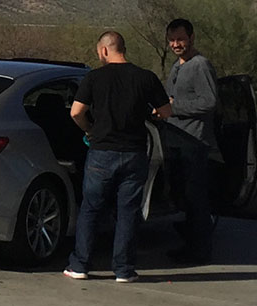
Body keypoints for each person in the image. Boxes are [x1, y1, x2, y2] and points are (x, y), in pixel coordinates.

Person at [64, 31, 171, 283]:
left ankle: (80, 265)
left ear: (103, 50)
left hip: (101, 152)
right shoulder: (146, 77)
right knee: (128, 211)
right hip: (134, 153)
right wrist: (152, 113)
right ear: (123, 48)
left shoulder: (94, 78)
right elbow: (166, 111)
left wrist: (90, 129)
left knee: (91, 209)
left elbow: (76, 112)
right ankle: (123, 269)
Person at [162, 18, 219, 264]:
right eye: (172, 40)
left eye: (180, 39)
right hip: (176, 141)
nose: (176, 44)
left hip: (194, 142)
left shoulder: (200, 65)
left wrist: (173, 108)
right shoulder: (177, 66)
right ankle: (189, 244)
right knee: (183, 196)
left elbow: (209, 102)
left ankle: (200, 250)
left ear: (191, 38)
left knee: (196, 199)